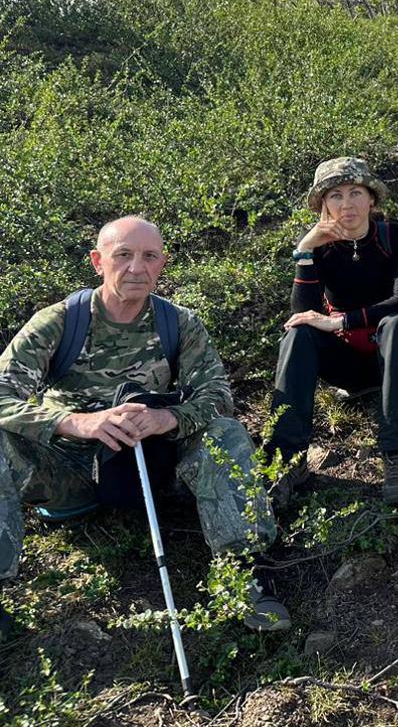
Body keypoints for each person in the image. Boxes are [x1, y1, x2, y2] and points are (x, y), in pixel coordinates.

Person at [0, 217, 289, 639]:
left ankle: (245, 573)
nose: (136, 267)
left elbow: (216, 394)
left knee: (224, 432)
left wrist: (168, 418)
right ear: (98, 262)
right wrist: (74, 422)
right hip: (70, 468)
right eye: (123, 255)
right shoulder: (60, 322)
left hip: (151, 464)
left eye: (149, 256)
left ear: (162, 265)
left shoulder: (178, 323)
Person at [266, 158, 398, 507]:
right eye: (335, 195)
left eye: (356, 192)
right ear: (323, 205)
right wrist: (305, 252)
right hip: (350, 365)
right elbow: (301, 314)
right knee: (297, 333)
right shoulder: (319, 246)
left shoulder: (395, 236)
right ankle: (287, 461)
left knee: (396, 323)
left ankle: (397, 455)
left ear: (372, 198)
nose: (347, 203)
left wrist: (341, 321)